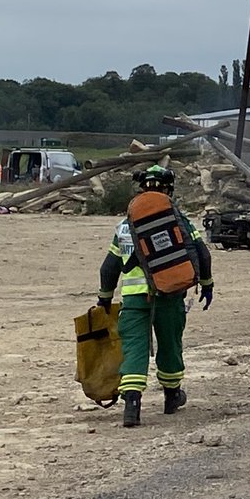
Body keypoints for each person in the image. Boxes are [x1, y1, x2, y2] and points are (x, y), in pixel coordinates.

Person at [96, 165, 214, 428]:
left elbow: (109, 267)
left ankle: (132, 405)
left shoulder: (125, 227)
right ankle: (172, 396)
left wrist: (104, 299)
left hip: (135, 300)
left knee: (134, 349)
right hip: (170, 295)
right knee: (170, 345)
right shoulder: (179, 221)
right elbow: (202, 254)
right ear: (169, 189)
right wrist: (207, 284)